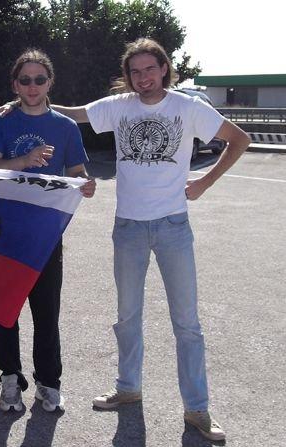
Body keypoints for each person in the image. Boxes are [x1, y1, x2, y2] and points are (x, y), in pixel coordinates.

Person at [52, 38, 250, 442]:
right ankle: (128, 388)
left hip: (173, 225)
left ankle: (197, 409)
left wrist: (205, 182)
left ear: (163, 69)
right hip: (128, 227)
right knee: (127, 317)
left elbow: (239, 139)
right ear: (128, 76)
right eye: (135, 71)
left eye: (149, 69)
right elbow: (75, 114)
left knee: (187, 324)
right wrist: (26, 101)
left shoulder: (188, 107)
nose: (143, 78)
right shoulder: (119, 106)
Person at [0, 49, 96, 413]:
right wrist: (24, 161)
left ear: (50, 83)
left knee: (46, 313)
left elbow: (75, 171)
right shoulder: (0, 121)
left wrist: (84, 182)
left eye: (39, 79)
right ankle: (10, 378)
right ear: (15, 85)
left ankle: (49, 382)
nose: (33, 86)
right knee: (5, 311)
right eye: (25, 80)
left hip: (46, 235)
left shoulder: (65, 127)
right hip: (3, 231)